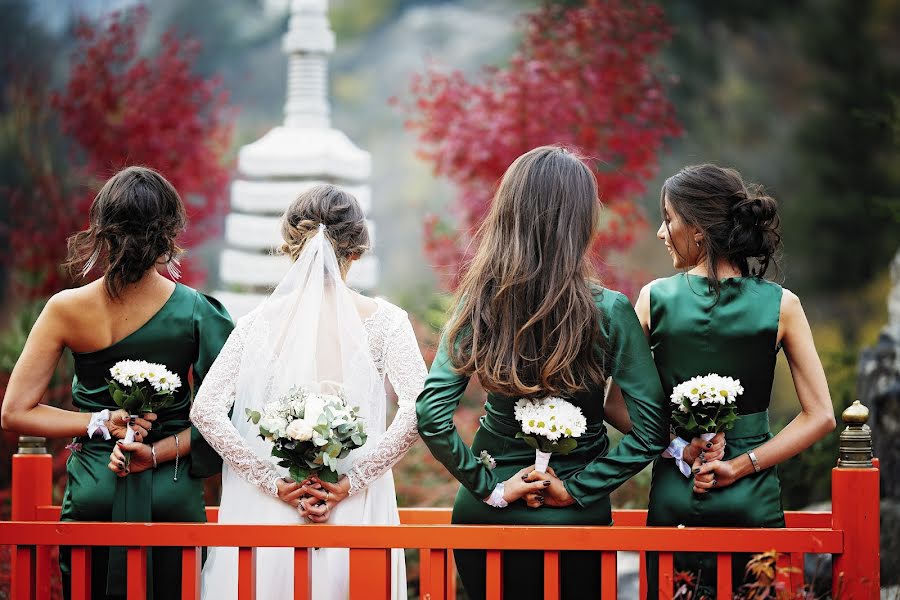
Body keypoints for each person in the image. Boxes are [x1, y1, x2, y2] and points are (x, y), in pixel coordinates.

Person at [415, 145, 669, 600]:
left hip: (488, 515)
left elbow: (432, 415)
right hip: (576, 518)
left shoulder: (477, 304)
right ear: (581, 222)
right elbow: (651, 432)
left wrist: (490, 487)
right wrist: (577, 489)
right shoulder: (608, 311)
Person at [1, 166, 233, 599]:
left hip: (95, 487)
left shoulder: (65, 309)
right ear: (170, 231)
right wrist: (157, 451)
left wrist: (102, 421)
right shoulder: (200, 312)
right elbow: (226, 419)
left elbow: (14, 412)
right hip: (172, 488)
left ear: (102, 230)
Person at [605, 163, 836, 597]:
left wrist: (678, 445)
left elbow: (614, 404)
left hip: (676, 491)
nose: (660, 232)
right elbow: (821, 416)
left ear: (697, 229)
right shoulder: (782, 304)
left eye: (668, 218)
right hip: (751, 499)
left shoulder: (654, 299)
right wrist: (741, 465)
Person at [190, 184, 427, 600]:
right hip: (354, 503)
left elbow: (206, 409)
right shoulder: (388, 321)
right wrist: (353, 481)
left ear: (291, 247)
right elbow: (419, 408)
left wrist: (271, 481)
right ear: (356, 250)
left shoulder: (255, 323)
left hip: (275, 502)